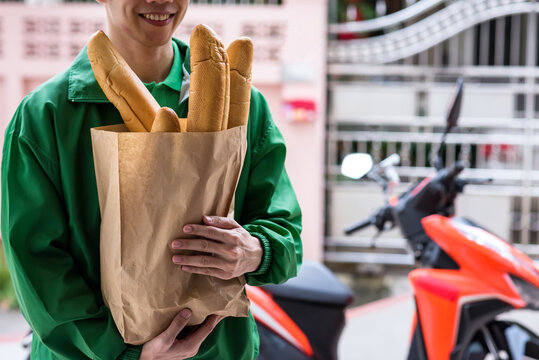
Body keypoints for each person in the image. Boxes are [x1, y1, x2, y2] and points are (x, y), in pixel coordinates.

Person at [1, 0, 302, 359]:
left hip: (218, 350)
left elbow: (284, 230)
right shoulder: (45, 116)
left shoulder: (245, 105)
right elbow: (38, 264)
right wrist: (127, 355)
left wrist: (256, 251)